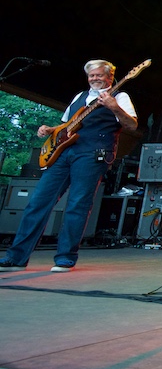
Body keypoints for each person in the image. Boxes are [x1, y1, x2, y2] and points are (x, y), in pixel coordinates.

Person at [0, 59, 137, 272]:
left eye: (99, 75)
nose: (94, 79)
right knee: (38, 202)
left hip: (92, 153)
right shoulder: (79, 97)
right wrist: (49, 130)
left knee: (77, 205)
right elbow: (66, 125)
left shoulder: (120, 97)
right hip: (64, 153)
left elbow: (131, 124)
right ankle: (16, 258)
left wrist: (114, 107)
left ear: (110, 77)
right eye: (91, 75)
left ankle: (65, 257)